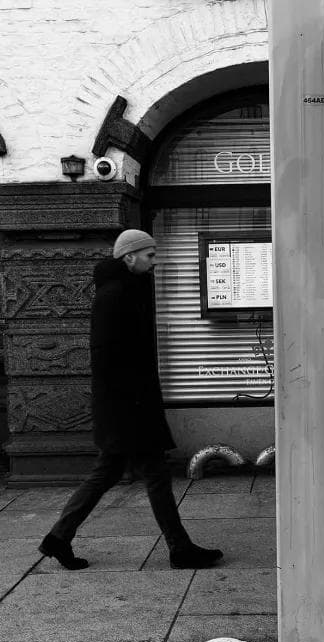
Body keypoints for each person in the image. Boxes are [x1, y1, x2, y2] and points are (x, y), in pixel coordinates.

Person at [38, 229, 223, 570]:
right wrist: (134, 404)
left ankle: (58, 537)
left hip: (127, 405)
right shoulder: (115, 295)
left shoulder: (126, 290)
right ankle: (179, 548)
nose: (155, 260)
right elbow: (108, 358)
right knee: (155, 474)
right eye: (150, 255)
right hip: (129, 407)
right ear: (129, 257)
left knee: (107, 473)